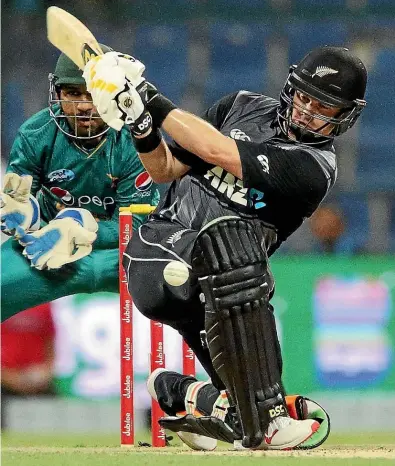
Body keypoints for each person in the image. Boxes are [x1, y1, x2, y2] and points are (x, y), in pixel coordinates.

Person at [83, 46, 367, 450]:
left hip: (226, 290)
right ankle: (267, 417)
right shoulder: (241, 106)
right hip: (159, 251)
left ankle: (195, 397)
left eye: (323, 106)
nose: (306, 110)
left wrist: (145, 93)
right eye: (303, 96)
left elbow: (217, 152)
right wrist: (140, 122)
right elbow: (164, 169)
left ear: (345, 116)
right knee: (231, 244)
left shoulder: (314, 168)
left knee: (245, 411)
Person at [0, 47, 159, 322]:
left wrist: (83, 227)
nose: (84, 105)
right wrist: (24, 216)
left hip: (123, 256)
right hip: (51, 252)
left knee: (196, 284)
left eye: (94, 94)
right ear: (58, 93)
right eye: (73, 94)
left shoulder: (135, 139)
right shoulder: (35, 134)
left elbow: (138, 226)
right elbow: (20, 199)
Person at [1, 303, 56, 430]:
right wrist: (9, 377)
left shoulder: (44, 304)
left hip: (36, 379)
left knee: (56, 410)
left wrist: (44, 372)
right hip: (6, 378)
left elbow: (51, 346)